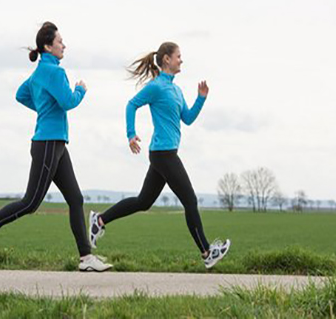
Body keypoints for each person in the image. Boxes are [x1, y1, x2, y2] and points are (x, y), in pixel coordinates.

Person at [0, 22, 112, 272]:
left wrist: (44, 107)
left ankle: (86, 258)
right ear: (48, 46)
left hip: (56, 144)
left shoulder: (39, 73)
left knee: (76, 199)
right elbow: (68, 102)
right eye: (60, 42)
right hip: (47, 143)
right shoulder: (55, 72)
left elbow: (21, 95)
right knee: (30, 203)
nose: (64, 45)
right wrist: (80, 90)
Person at [89, 42, 230, 269]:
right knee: (190, 200)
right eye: (178, 56)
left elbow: (188, 118)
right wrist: (131, 134)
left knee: (143, 201)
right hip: (163, 154)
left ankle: (100, 220)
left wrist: (201, 98)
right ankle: (207, 252)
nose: (181, 60)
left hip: (165, 153)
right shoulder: (156, 87)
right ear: (166, 59)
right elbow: (131, 105)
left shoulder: (176, 90)